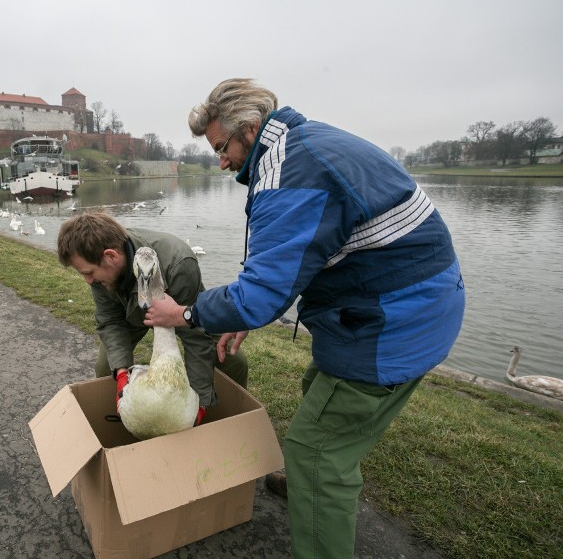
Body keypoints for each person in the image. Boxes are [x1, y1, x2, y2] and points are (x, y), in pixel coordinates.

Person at [144, 78, 465, 559]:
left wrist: (186, 312)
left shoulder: (287, 172)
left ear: (249, 130)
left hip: (394, 322)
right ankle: (308, 489)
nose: (221, 161)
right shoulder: (307, 143)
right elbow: (302, 258)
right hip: (420, 303)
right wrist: (248, 312)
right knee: (319, 385)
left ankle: (314, 488)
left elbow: (261, 293)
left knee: (315, 451)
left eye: (221, 148)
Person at [56, 212, 248, 420]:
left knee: (231, 359)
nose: (88, 281)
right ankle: (121, 418)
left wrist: (200, 402)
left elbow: (196, 337)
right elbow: (111, 321)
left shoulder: (178, 263)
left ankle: (230, 417)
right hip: (132, 314)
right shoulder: (100, 273)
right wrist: (121, 374)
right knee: (106, 366)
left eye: (88, 273)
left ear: (110, 256)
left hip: (181, 312)